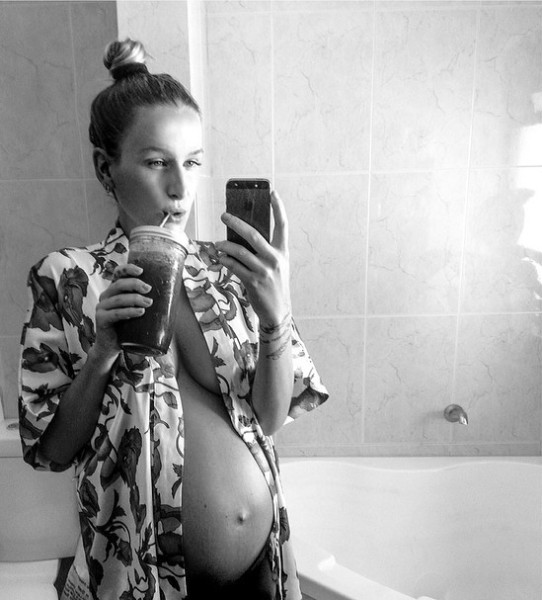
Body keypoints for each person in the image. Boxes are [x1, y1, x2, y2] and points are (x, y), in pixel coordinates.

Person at [18, 38, 328, 600]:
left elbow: (268, 417)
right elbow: (52, 451)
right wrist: (102, 353)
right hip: (137, 580)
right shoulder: (68, 277)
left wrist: (276, 315)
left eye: (192, 162)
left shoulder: (231, 272)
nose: (181, 188)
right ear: (106, 169)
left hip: (257, 577)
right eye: (157, 162)